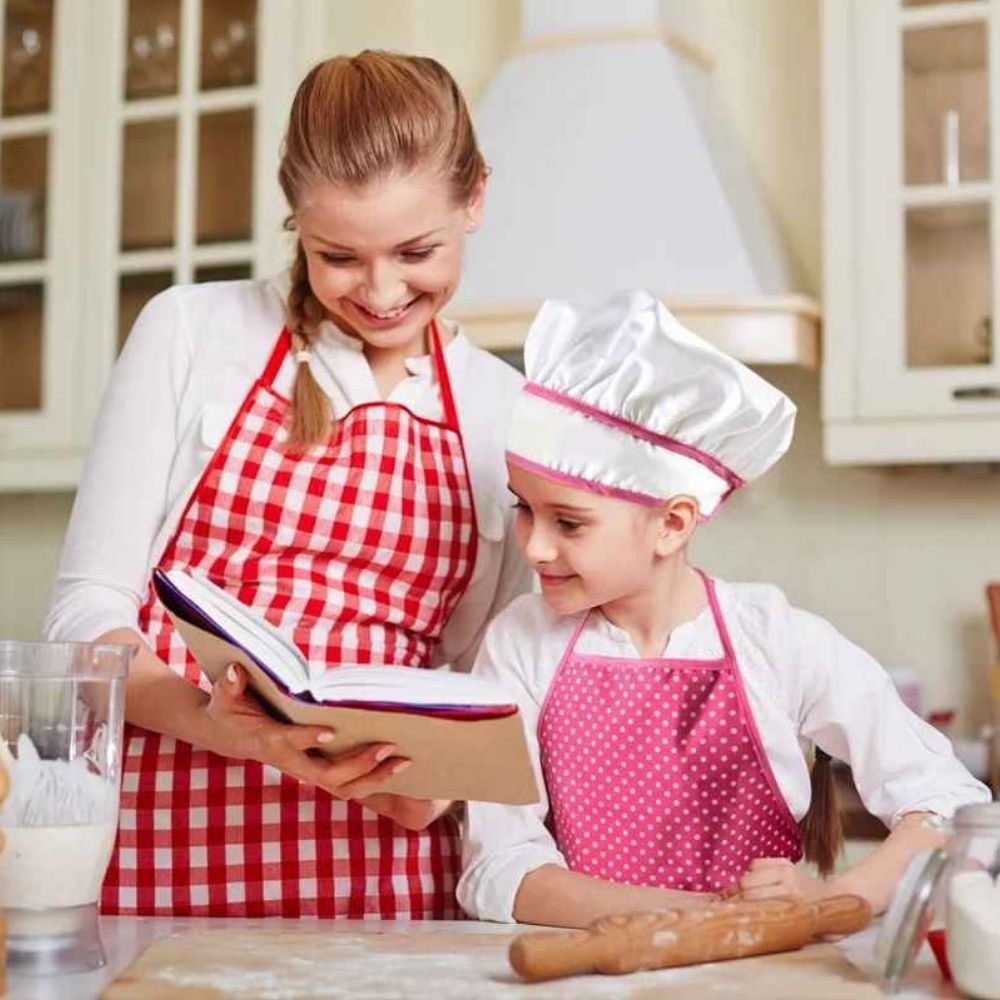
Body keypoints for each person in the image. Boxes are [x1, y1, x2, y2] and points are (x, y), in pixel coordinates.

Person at [45, 50, 532, 919]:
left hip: (384, 882)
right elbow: (84, 616)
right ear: (294, 216)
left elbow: (486, 675)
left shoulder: (506, 410)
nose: (381, 292)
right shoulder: (192, 333)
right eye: (337, 255)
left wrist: (441, 787)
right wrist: (213, 721)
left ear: (477, 199)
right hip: (161, 852)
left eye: (417, 251)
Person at [457, 290, 990, 928]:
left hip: (764, 972)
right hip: (588, 968)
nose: (534, 547)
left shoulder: (776, 640)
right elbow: (500, 869)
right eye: (524, 507)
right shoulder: (521, 642)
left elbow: (952, 808)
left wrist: (833, 900)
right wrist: (706, 916)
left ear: (673, 524)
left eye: (568, 522)